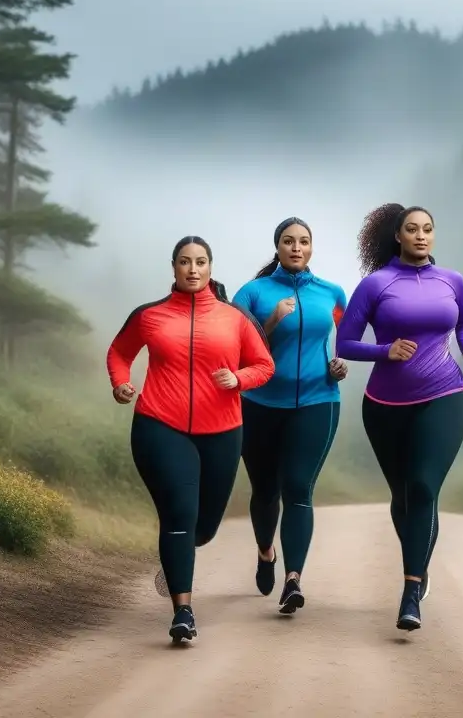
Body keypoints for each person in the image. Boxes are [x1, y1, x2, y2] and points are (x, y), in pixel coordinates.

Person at [106, 235, 275, 643]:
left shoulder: (235, 318)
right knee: (179, 513)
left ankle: (179, 555)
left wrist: (237, 378)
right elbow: (119, 352)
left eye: (200, 262)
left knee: (204, 528)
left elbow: (263, 366)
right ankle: (183, 611)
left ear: (211, 267)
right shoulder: (150, 316)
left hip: (222, 431)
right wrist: (121, 384)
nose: (193, 269)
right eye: (185, 262)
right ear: (174, 268)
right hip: (160, 425)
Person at [335, 203, 463, 632]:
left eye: (428, 229)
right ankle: (419, 562)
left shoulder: (452, 280)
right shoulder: (376, 284)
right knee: (401, 497)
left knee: (422, 487)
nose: (421, 236)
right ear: (397, 236)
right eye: (412, 229)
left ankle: (410, 590)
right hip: (384, 405)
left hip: (445, 393)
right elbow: (345, 343)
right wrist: (385, 350)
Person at [232, 217, 349, 614]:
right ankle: (266, 554)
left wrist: (340, 364)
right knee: (265, 492)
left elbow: (344, 341)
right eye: (288, 241)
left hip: (318, 401)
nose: (296, 247)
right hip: (259, 404)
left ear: (311, 248)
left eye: (303, 241)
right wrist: (272, 322)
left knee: (298, 488)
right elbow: (234, 351)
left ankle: (293, 580)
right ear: (277, 247)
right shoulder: (252, 293)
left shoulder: (331, 294)